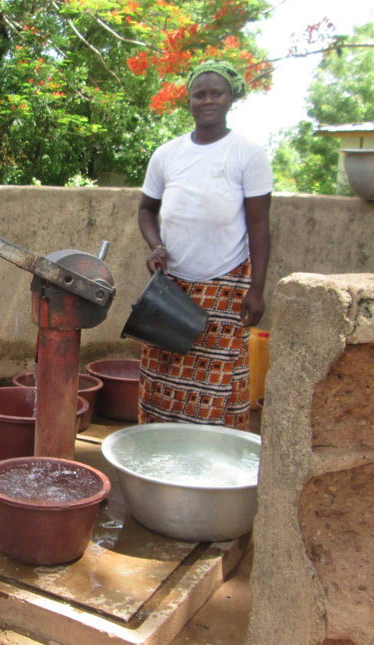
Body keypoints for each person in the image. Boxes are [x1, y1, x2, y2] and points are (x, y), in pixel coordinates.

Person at [136, 60, 272, 430]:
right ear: (189, 101)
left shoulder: (248, 154)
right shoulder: (168, 154)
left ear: (231, 99)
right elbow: (147, 210)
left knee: (218, 378)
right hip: (171, 286)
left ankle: (212, 463)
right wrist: (156, 246)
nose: (207, 100)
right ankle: (159, 450)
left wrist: (256, 289)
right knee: (163, 374)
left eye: (216, 93)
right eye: (200, 94)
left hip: (225, 282)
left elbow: (259, 224)